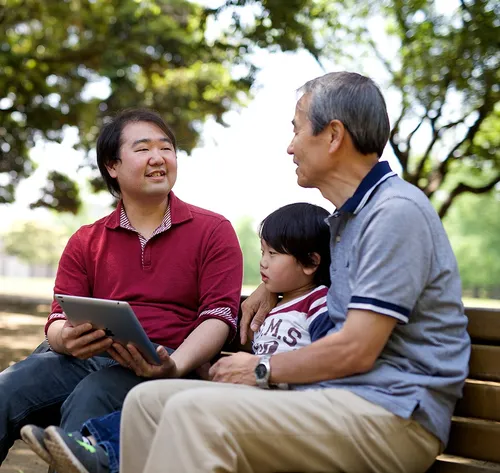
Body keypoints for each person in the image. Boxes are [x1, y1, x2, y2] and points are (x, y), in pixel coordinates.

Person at [109, 71, 469, 473]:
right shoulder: (349, 220)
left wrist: (261, 368)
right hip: (336, 399)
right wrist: (269, 289)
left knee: (194, 413)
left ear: (333, 136)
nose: (289, 147)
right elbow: (322, 278)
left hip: (390, 413)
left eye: (296, 130)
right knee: (147, 403)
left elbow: (357, 347)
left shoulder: (395, 213)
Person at [0, 108, 243, 466]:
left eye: (167, 148)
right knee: (10, 386)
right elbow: (57, 318)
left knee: (92, 398)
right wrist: (64, 339)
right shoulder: (87, 240)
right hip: (89, 358)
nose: (159, 158)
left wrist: (174, 365)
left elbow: (219, 317)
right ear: (112, 166)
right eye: (143, 149)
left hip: (167, 365)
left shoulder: (213, 230)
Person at [21, 201, 335, 473]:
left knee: (164, 403)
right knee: (153, 400)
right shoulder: (272, 307)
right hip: (245, 392)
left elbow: (325, 355)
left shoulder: (320, 304)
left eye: (274, 254)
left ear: (311, 262)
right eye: (263, 251)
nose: (262, 261)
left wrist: (265, 373)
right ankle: (91, 448)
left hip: (279, 400)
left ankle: (99, 455)